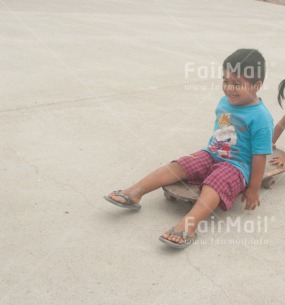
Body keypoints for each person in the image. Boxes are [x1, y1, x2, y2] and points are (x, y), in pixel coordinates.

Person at [103, 49, 273, 249]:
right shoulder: (225, 101)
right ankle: (134, 192)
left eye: (237, 84)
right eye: (225, 81)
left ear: (257, 86)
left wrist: (253, 189)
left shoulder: (261, 117)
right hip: (212, 153)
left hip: (237, 165)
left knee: (215, 183)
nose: (229, 88)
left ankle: (188, 225)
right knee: (180, 165)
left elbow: (259, 156)